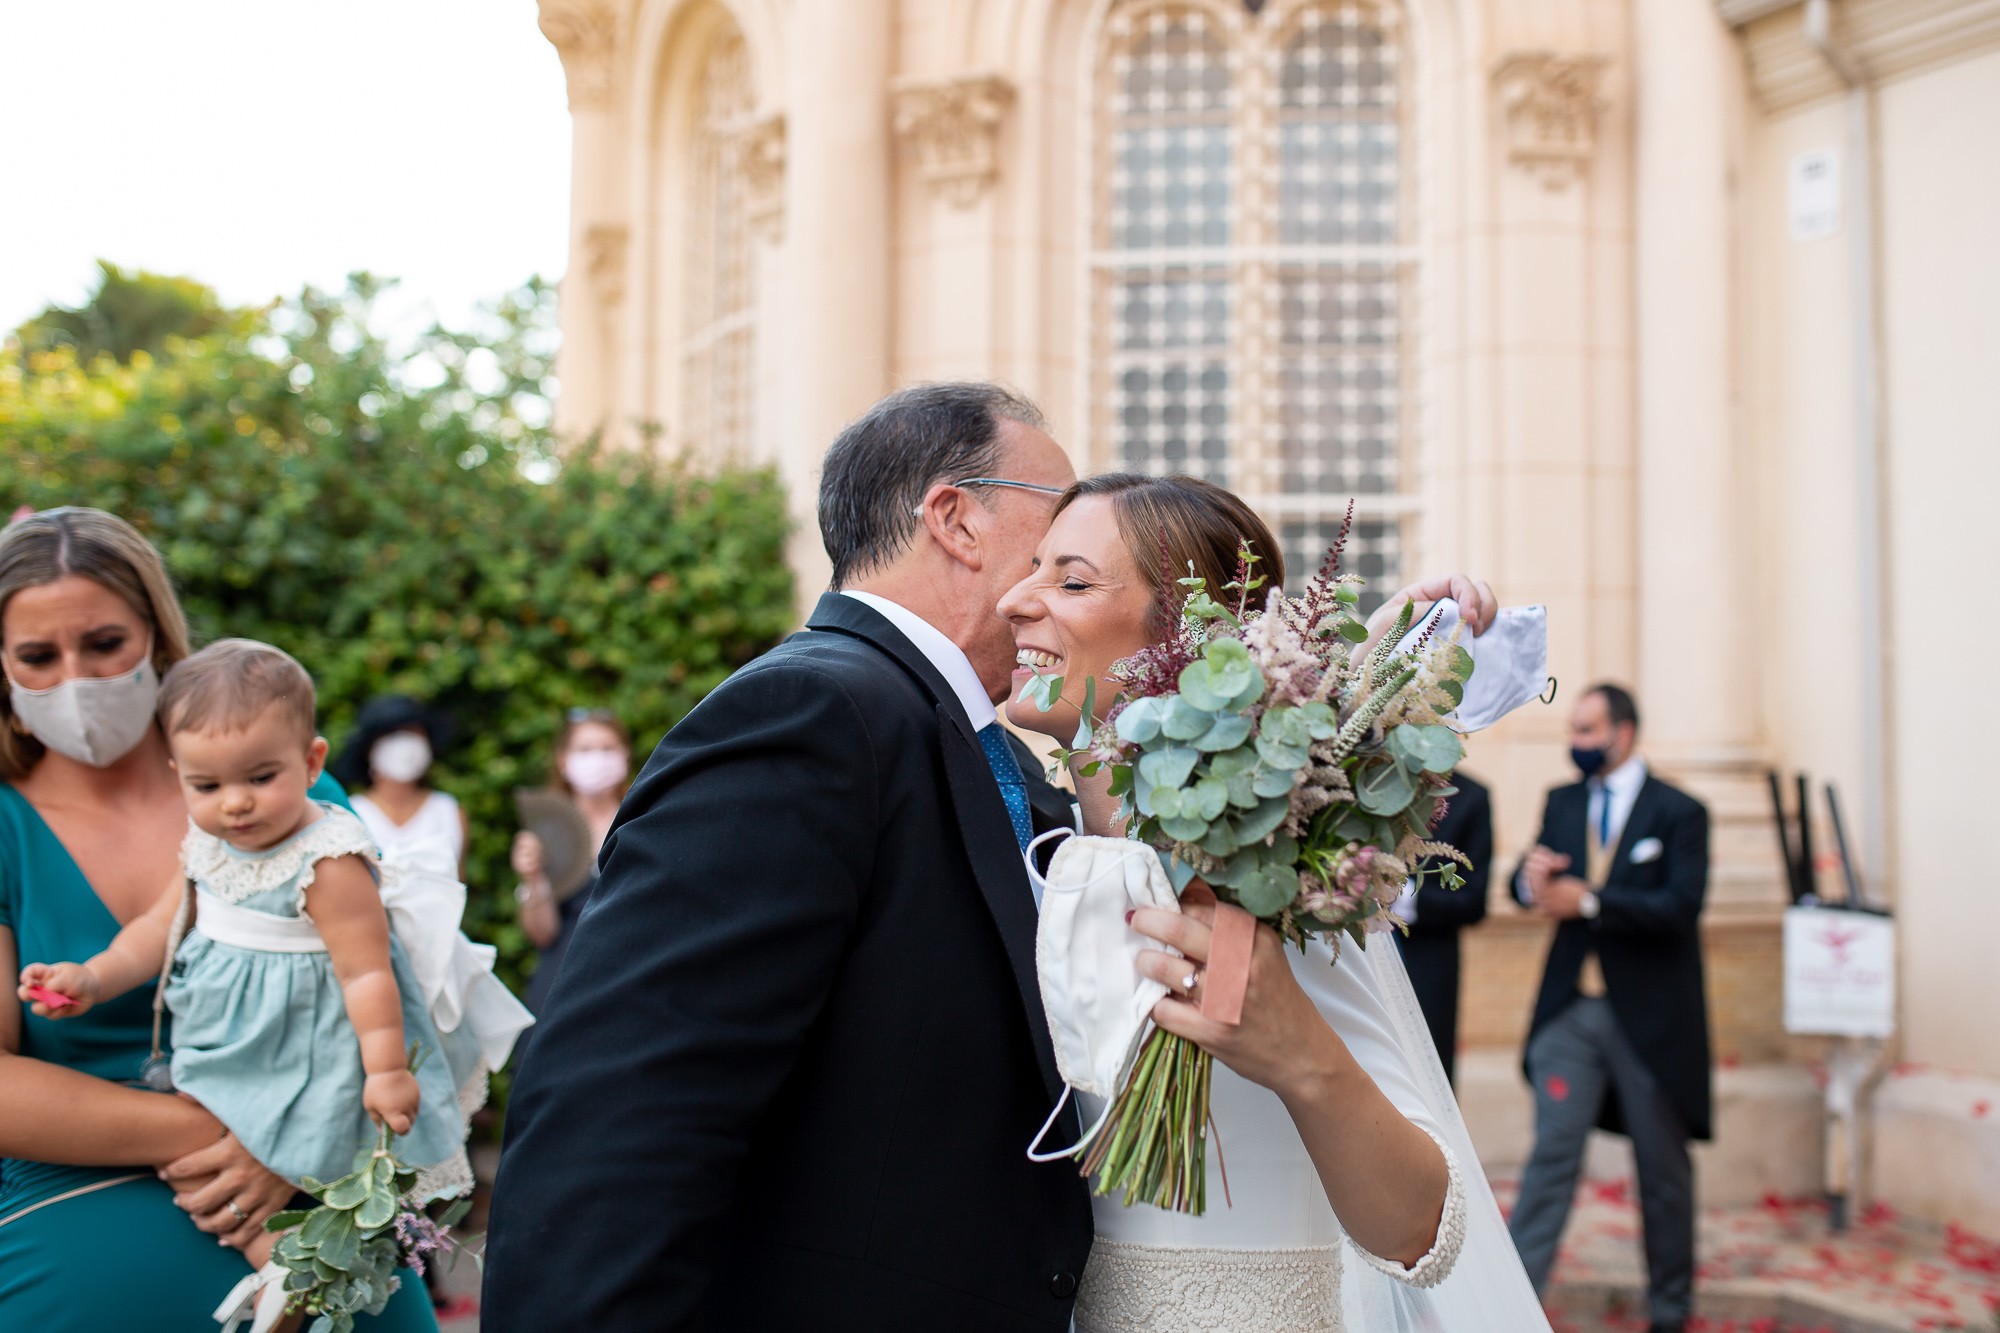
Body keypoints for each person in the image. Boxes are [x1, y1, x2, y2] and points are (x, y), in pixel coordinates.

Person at [485, 383, 1090, 1329]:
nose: (1067, 556)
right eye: (1057, 521)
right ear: (957, 520)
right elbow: (627, 1108)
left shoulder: (996, 750)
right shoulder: (811, 712)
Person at [998, 472, 1550, 1331]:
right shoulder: (1042, 846)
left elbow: (1422, 1230)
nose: (1014, 601)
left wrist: (1297, 1052)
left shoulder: (1263, 873)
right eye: (1030, 569)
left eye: (1069, 580)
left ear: (1182, 642)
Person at [0, 507, 438, 1329]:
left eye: (103, 644)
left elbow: (385, 998)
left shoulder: (286, 799)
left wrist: (296, 1142)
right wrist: (219, 1130)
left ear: (157, 635)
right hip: (71, 1191)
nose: (74, 679)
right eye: (37, 656)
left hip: (310, 1181)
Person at [17, 637, 527, 1323]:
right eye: (207, 786)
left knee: (297, 1147)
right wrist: (91, 976)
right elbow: (154, 931)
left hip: (310, 1048)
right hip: (228, 1045)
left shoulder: (327, 857)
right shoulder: (205, 843)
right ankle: (278, 1266)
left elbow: (368, 973)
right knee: (196, 1160)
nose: (235, 804)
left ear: (311, 761)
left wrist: (383, 1068)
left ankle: (297, 1264)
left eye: (260, 778)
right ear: (180, 777)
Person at [1509, 683, 1712, 1333]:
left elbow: (1681, 907)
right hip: (1572, 1013)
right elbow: (1530, 883)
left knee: (1662, 1171)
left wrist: (1592, 900)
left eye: (1589, 730)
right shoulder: (1562, 800)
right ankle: (1510, 1305)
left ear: (1624, 733)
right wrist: (1528, 877)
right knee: (1550, 1157)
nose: (1579, 743)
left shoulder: (1680, 812)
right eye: (1575, 730)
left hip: (1649, 1021)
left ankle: (1670, 1311)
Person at [511, 708, 631, 1014]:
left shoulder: (641, 819)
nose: (597, 759)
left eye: (607, 749)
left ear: (625, 756)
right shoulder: (547, 831)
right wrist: (533, 877)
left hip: (630, 970)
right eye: (585, 749)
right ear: (563, 760)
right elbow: (541, 934)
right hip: (563, 977)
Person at [1392, 768, 1493, 1085]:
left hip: (1429, 964)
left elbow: (1473, 901)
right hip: (1358, 958)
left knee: (1428, 1080)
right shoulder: (1370, 778)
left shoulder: (1471, 796)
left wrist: (1400, 895)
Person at [335, 695, 466, 874]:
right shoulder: (350, 813)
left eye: (412, 733)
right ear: (369, 748)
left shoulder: (447, 810)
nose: (404, 744)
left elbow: (458, 886)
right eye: (393, 735)